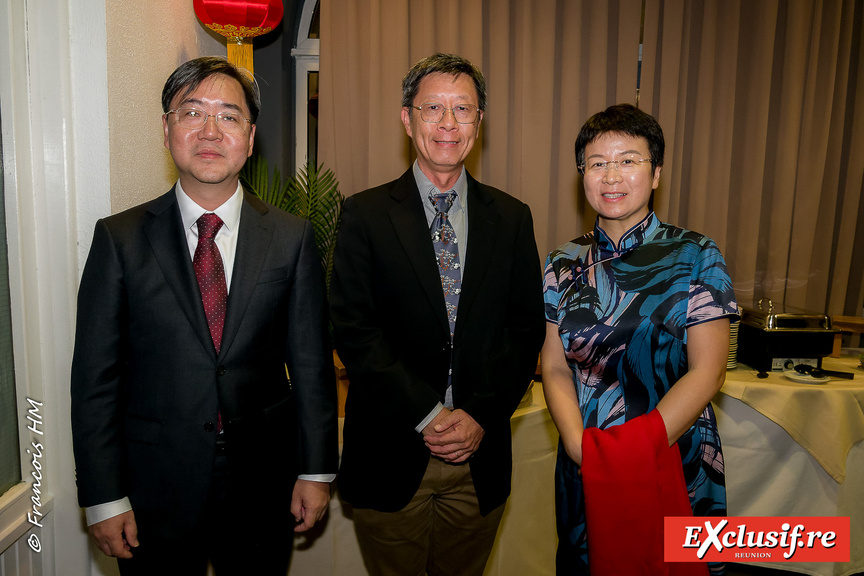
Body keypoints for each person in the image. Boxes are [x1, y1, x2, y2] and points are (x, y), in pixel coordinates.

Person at [70, 56, 337, 575]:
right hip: (153, 486)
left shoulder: (292, 238)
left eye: (229, 116)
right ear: (166, 129)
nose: (211, 130)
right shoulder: (119, 240)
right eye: (191, 112)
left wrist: (317, 470)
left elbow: (311, 368)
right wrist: (104, 496)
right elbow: (94, 381)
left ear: (251, 136)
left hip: (264, 482)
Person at [329, 53, 545, 576]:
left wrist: (478, 416)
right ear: (408, 118)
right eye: (433, 109)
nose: (448, 124)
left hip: (480, 456)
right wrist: (431, 414)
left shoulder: (512, 218)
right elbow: (355, 332)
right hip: (391, 452)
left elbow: (524, 331)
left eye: (463, 109)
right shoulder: (364, 214)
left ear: (479, 121)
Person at [541, 104, 738, 575]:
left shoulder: (696, 253)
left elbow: (708, 371)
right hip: (587, 458)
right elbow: (553, 365)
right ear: (582, 175)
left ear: (655, 175)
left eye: (628, 160)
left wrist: (634, 449)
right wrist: (576, 445)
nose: (611, 175)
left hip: (673, 454)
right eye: (597, 163)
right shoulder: (562, 262)